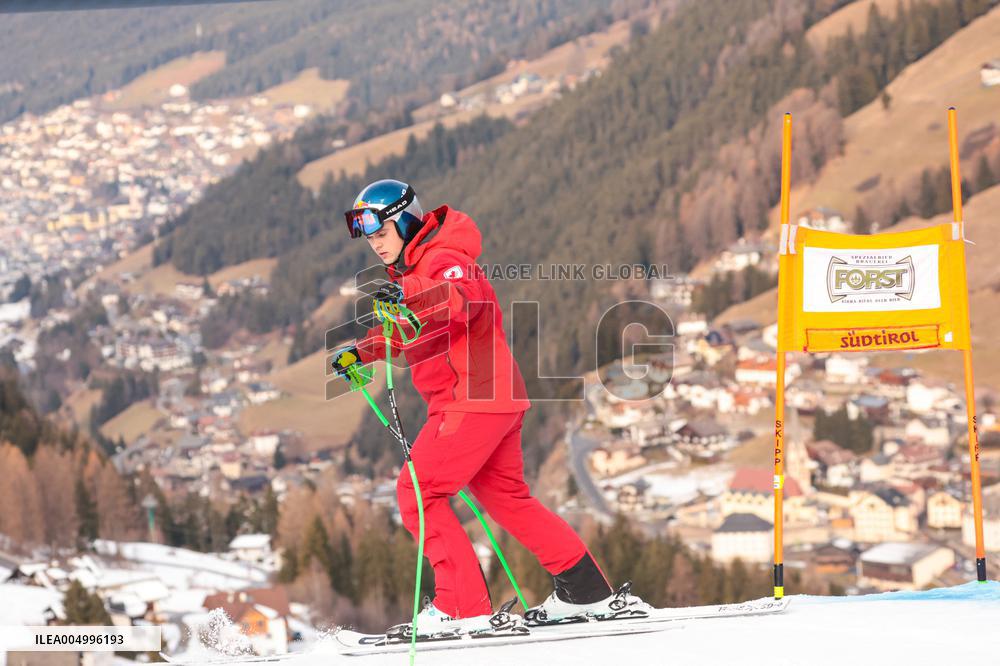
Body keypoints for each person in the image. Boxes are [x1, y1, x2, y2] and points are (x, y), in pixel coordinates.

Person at [331, 179, 648, 634]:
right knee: (509, 500)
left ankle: (461, 607)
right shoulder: (414, 271)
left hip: (471, 401)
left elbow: (461, 301)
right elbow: (411, 328)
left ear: (404, 220)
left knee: (418, 493)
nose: (375, 243)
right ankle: (586, 592)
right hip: (495, 401)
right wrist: (361, 353)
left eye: (380, 231)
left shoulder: (446, 259)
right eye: (369, 236)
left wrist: (411, 296)